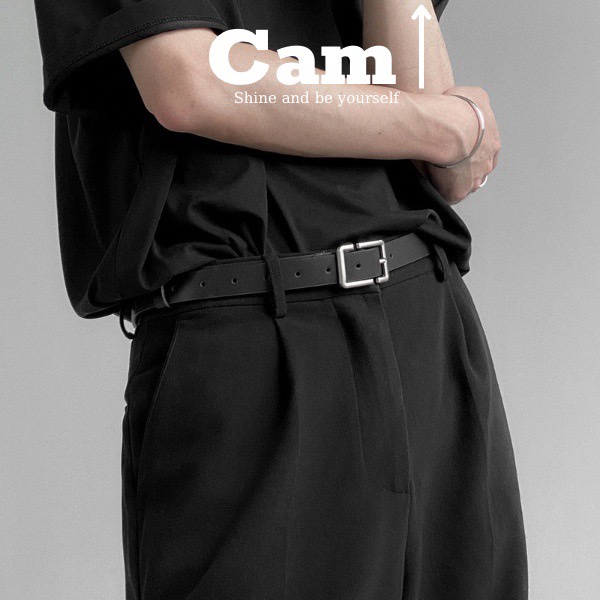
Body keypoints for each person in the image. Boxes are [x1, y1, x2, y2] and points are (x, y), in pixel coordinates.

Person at [32, 0, 528, 598]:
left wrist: (446, 127)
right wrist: (453, 125)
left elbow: (443, 160)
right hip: (253, 336)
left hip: (425, 314)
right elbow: (191, 82)